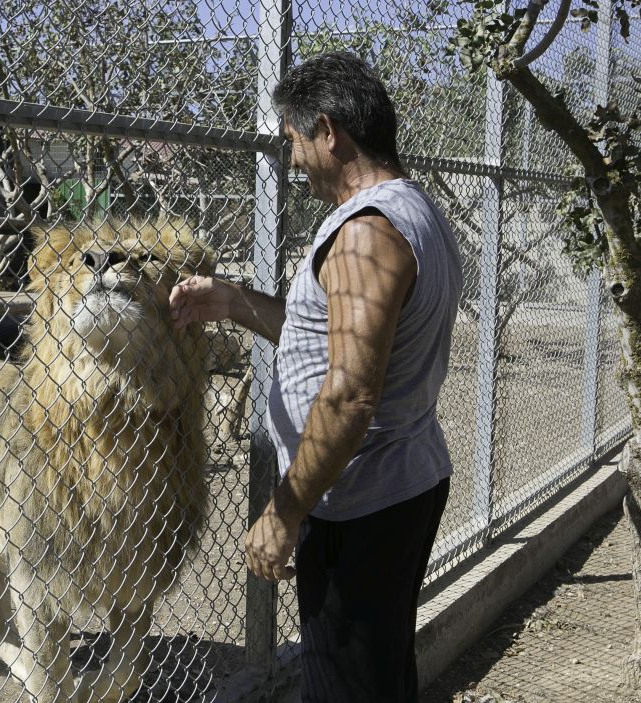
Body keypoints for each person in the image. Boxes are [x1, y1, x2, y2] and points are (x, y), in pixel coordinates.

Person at [169, 52, 462, 702]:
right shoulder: (413, 211)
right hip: (396, 483)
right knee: (376, 676)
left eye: (295, 141)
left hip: (359, 502)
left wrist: (284, 510)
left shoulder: (366, 236)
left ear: (329, 131)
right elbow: (330, 340)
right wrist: (230, 302)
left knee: (343, 686)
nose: (293, 159)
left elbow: (350, 395)